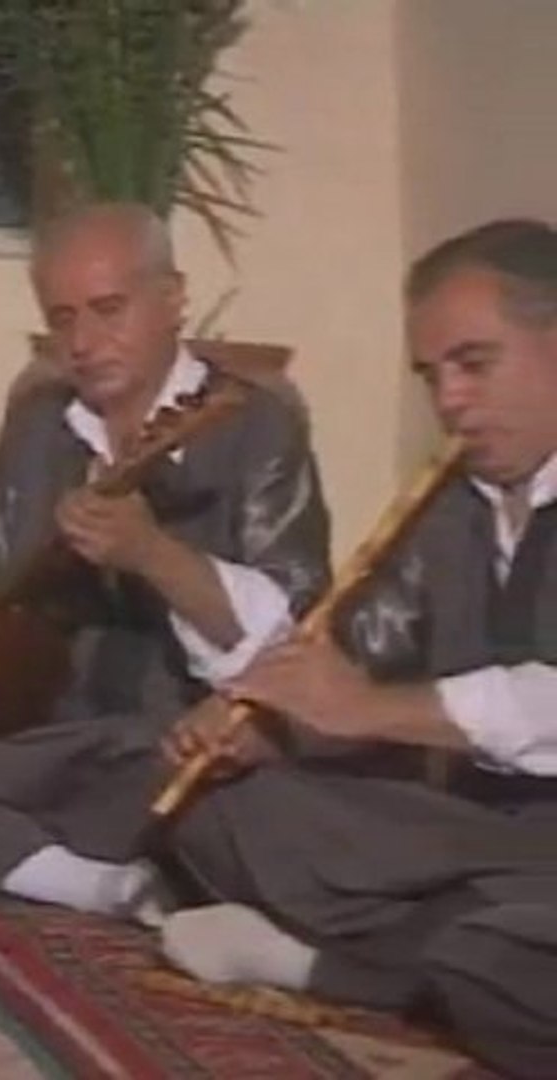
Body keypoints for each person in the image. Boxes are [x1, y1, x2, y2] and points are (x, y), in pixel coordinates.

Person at [0, 203, 331, 915]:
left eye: (108, 310)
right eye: (63, 319)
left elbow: (294, 634)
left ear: (172, 299)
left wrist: (154, 554)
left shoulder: (257, 424)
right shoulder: (45, 423)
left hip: (162, 748)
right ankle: (84, 881)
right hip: (34, 740)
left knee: (241, 805)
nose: (84, 342)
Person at [159, 218, 557, 1079]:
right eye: (432, 376)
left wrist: (368, 709)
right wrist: (268, 726)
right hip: (483, 838)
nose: (450, 400)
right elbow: (365, 646)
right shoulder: (456, 501)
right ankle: (447, 943)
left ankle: (331, 964)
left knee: (502, 956)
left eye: (474, 364)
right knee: (223, 809)